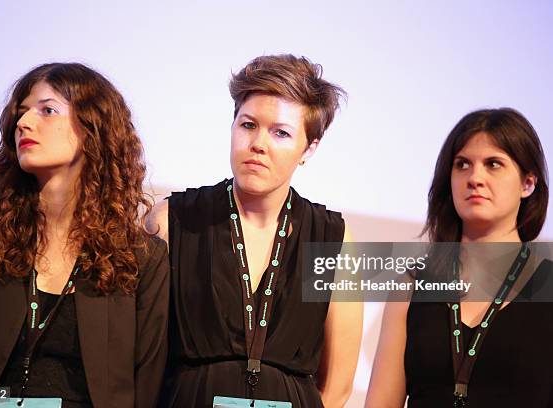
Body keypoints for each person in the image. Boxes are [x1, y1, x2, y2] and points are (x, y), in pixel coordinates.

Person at [0, 63, 169, 408]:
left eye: (47, 110)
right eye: (21, 112)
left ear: (93, 128)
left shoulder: (140, 257)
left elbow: (147, 383)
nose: (24, 122)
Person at [148, 54, 362, 408]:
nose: (258, 144)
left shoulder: (333, 239)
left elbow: (337, 386)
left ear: (309, 148)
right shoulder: (173, 221)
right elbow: (138, 358)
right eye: (248, 125)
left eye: (280, 132)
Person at [366, 108, 551, 407]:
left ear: (528, 183)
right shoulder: (413, 285)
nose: (475, 177)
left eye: (493, 164)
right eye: (462, 164)